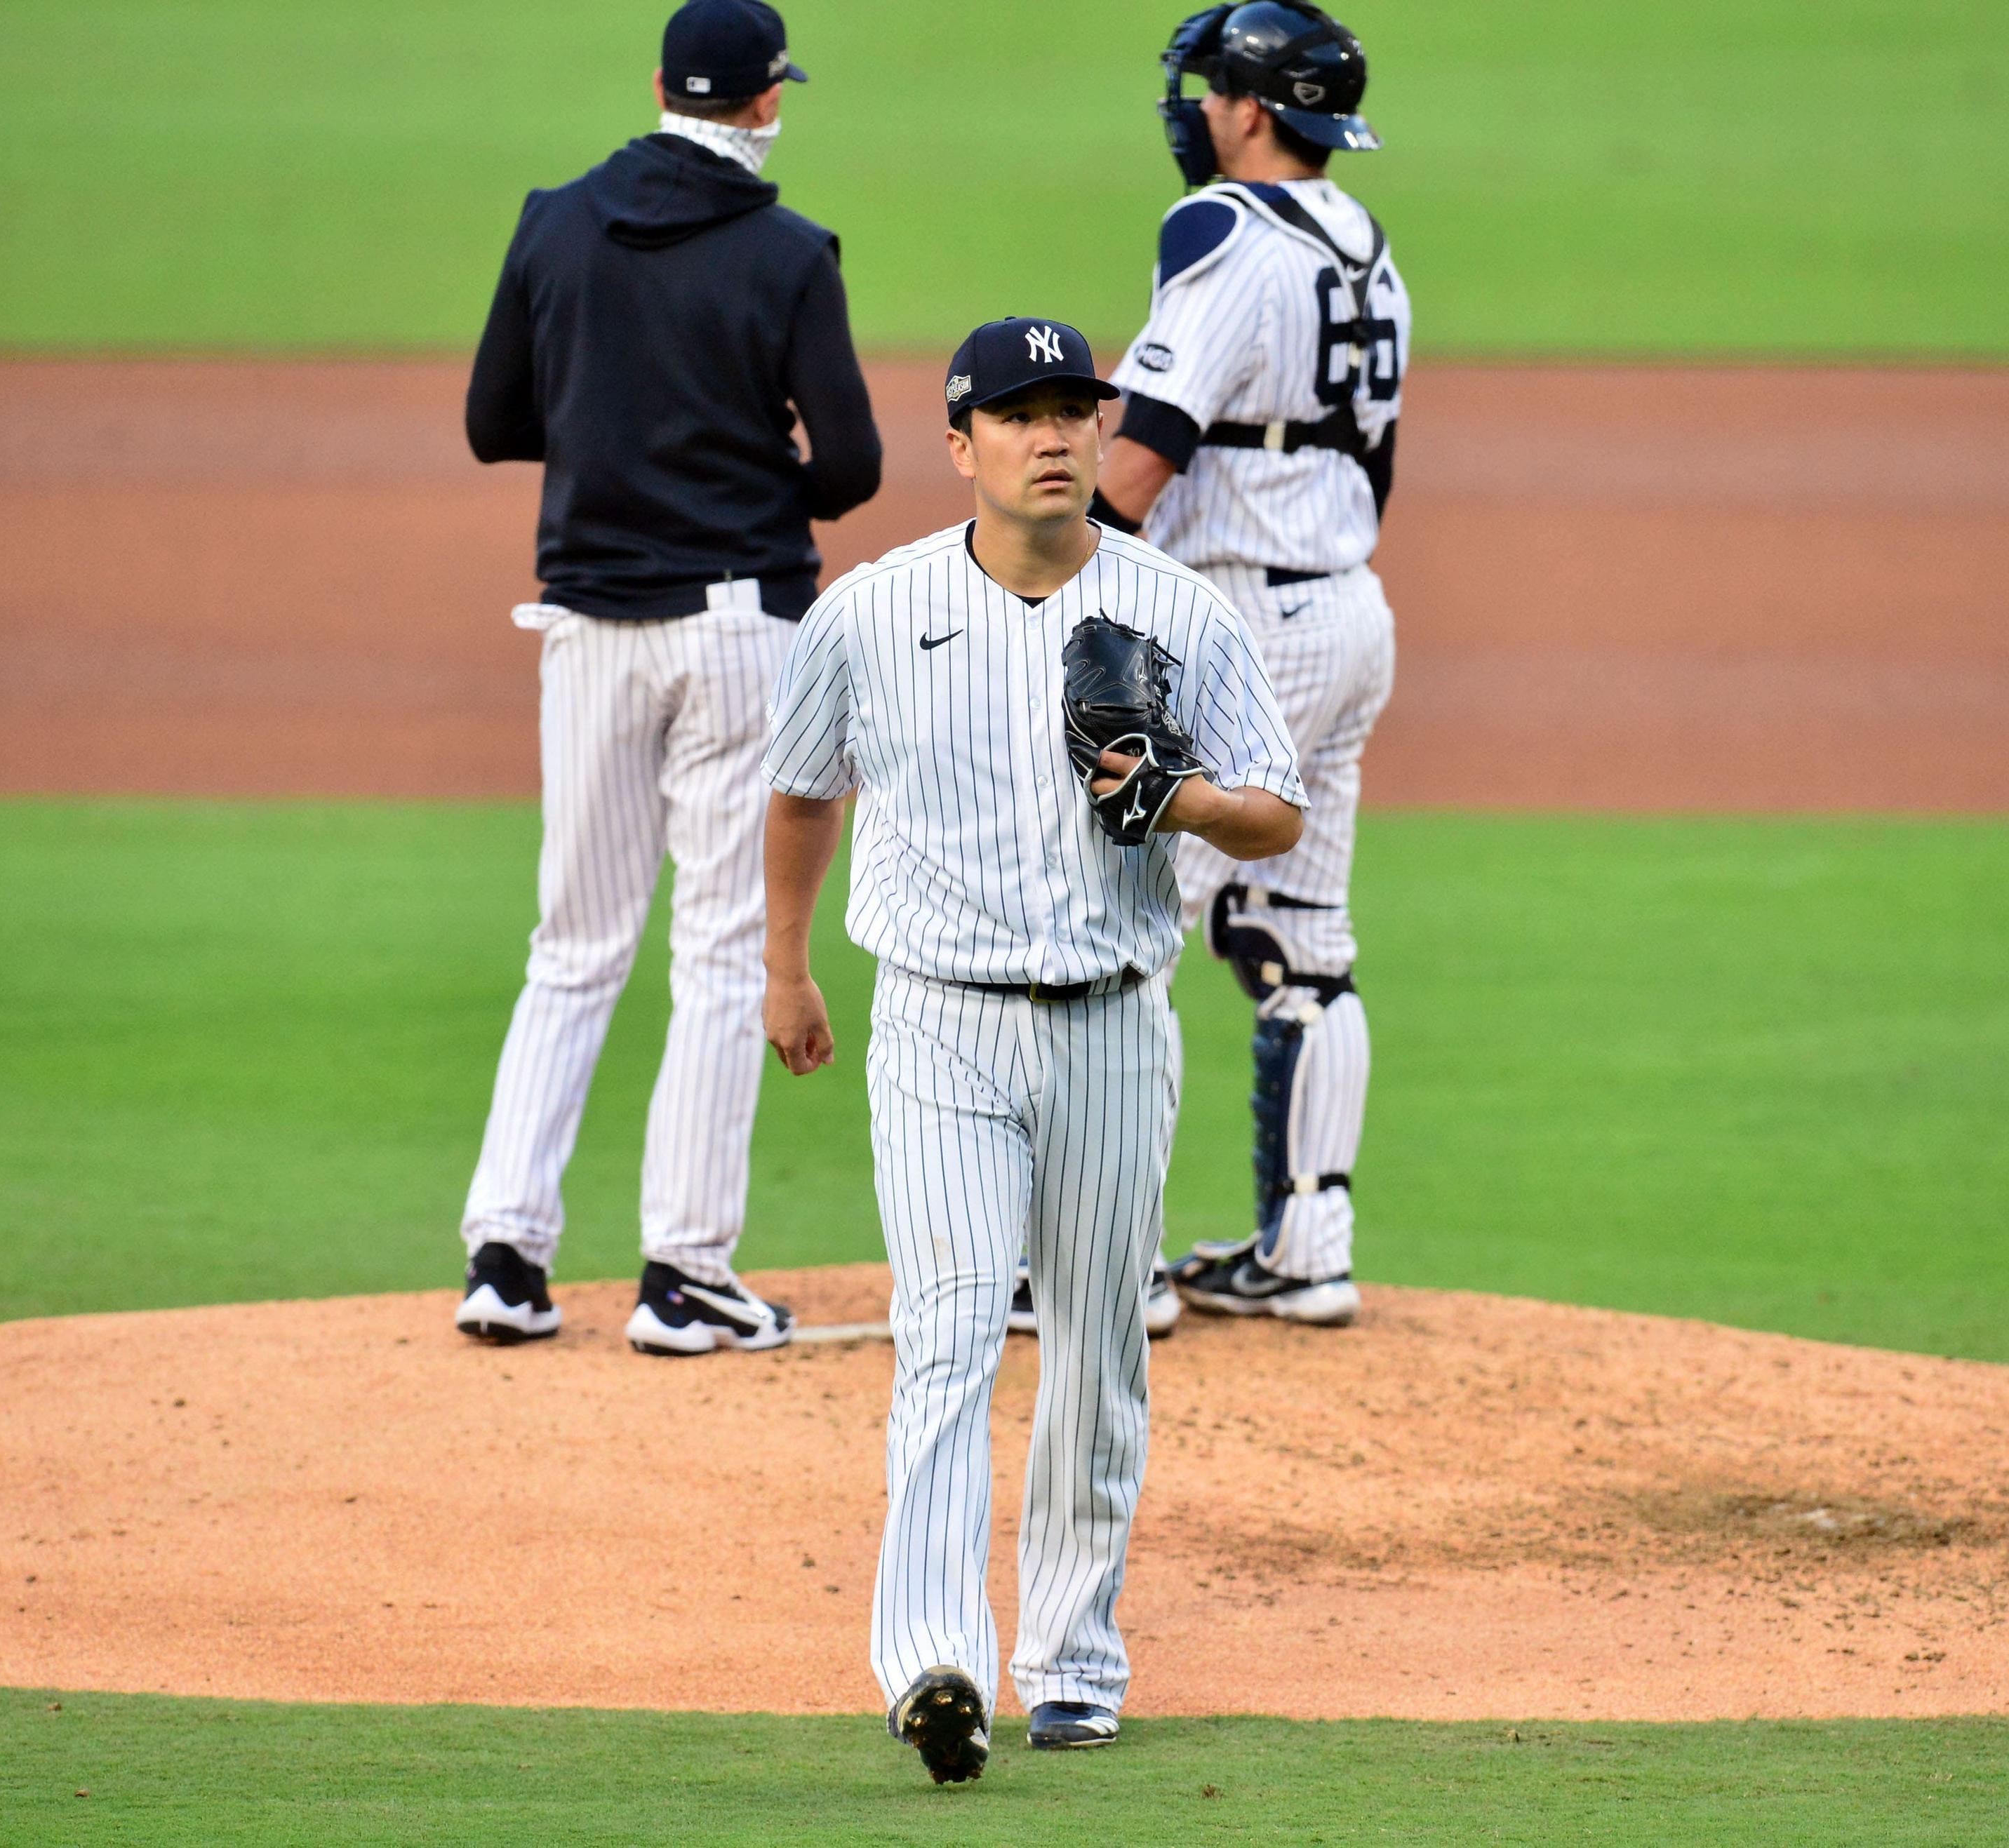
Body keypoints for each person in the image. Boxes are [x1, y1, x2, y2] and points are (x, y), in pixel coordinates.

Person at [761, 318, 1304, 1780]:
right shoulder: (870, 614)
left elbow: (1279, 807)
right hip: (939, 1022)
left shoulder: (1177, 610)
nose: (1055, 435)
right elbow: (805, 791)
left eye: (1076, 410)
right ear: (962, 446)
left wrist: (1176, 800)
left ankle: (1073, 1664)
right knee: (946, 1334)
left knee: (1096, 1356)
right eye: (1021, 414)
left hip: (1116, 1027)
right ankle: (938, 1662)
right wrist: (784, 968)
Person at [452, 0, 881, 1355]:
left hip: (581, 624)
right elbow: (855, 468)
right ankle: (685, 1273)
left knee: (571, 944)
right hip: (737, 625)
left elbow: (491, 424)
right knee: (716, 949)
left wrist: (613, 441)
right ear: (763, 103)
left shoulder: (553, 220)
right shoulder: (788, 253)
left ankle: (507, 1257)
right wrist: (753, 461)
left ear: (657, 89)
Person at [1074, 1, 1409, 1327]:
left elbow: (1143, 450)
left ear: (1252, 111)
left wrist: (1048, 591)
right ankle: (1308, 1247)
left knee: (1124, 930)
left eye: (1211, 89)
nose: (1194, 108)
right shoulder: (1367, 244)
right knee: (1300, 939)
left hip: (1244, 626)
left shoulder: (1220, 228)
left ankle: (1118, 1266)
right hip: (1348, 611)